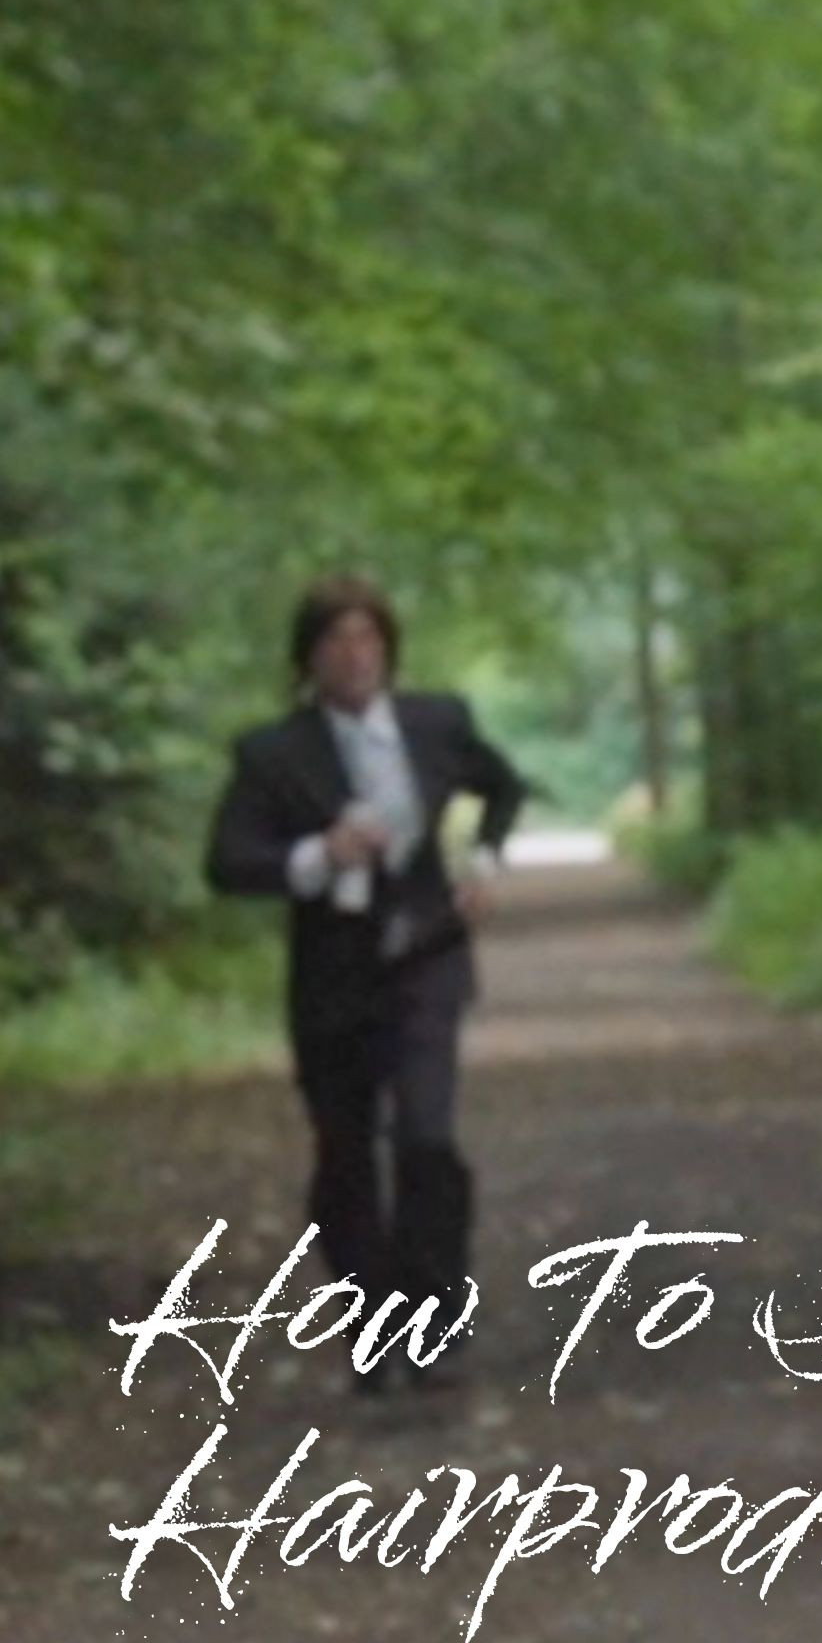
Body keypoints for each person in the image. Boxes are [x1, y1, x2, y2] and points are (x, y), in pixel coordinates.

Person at [206, 574, 527, 1388]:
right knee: (345, 1153)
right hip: (332, 975)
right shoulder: (273, 753)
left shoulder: (437, 722)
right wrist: (317, 856)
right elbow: (228, 862)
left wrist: (485, 861)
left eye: (368, 639)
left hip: (427, 956)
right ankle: (373, 1329)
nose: (354, 656)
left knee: (426, 1138)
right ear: (308, 659)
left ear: (388, 650)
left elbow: (504, 785)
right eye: (336, 641)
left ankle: (434, 1320)